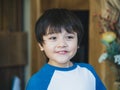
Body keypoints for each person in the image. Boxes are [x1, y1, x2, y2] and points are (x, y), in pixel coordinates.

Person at [26, 8, 106, 90]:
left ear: (78, 43)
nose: (62, 44)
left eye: (69, 37)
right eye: (53, 38)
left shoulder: (88, 71)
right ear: (41, 45)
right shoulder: (37, 82)